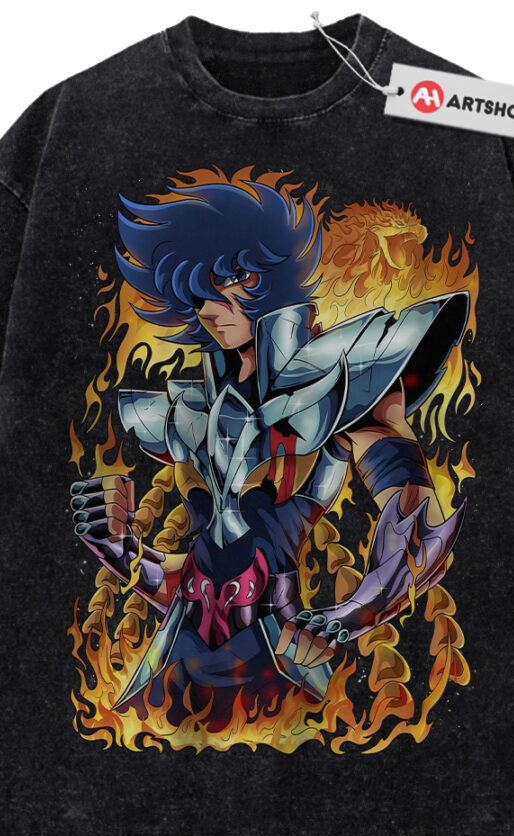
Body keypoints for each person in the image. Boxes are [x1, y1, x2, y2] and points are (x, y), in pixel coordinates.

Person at [70, 174, 469, 729]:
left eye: (229, 282)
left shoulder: (343, 376)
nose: (209, 309)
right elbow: (203, 579)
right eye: (196, 293)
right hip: (174, 669)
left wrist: (347, 617)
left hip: (279, 664)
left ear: (272, 275)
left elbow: (417, 526)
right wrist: (122, 551)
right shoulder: (189, 410)